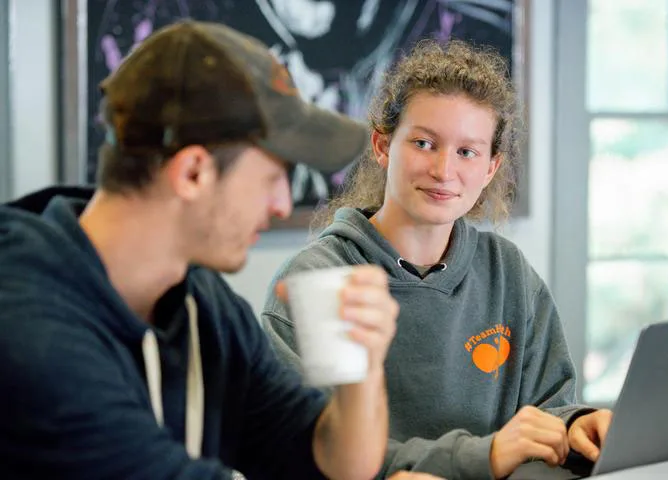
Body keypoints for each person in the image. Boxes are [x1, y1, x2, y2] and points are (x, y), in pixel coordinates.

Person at [0, 20, 407, 480]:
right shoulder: (28, 330)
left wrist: (361, 368)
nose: (282, 205)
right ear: (193, 172)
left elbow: (331, 462)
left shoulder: (200, 304)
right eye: (274, 177)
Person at [262, 39, 613, 479]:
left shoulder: (509, 273)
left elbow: (548, 410)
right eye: (425, 144)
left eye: (467, 152)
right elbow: (320, 459)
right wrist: (480, 457)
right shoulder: (321, 281)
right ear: (382, 146)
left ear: (490, 168)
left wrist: (577, 426)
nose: (444, 170)